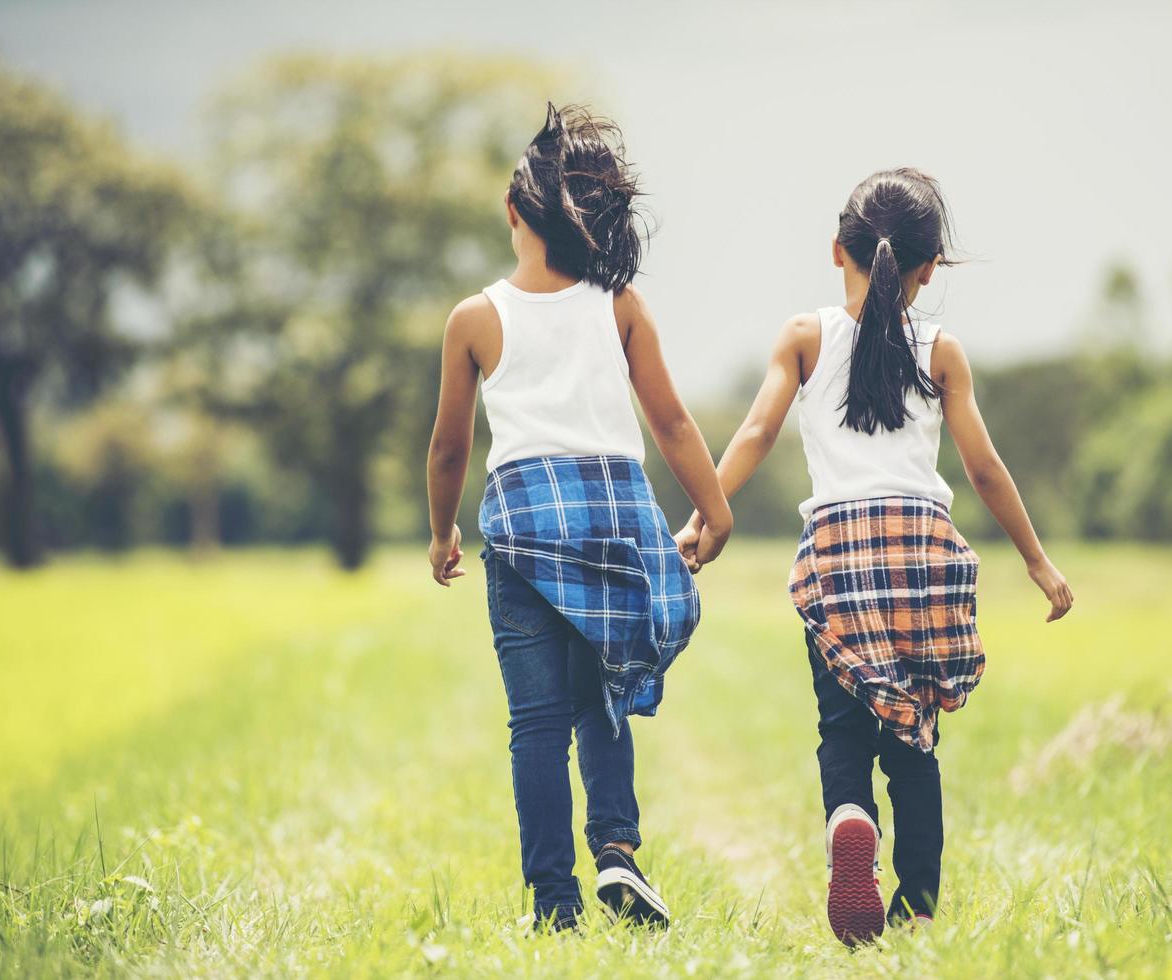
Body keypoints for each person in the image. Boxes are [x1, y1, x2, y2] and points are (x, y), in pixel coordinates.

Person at [675, 168, 1073, 945]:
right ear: (928, 268)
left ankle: (849, 818)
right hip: (921, 552)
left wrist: (705, 517)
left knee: (841, 725)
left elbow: (754, 434)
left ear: (837, 252)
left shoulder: (803, 336)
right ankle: (917, 905)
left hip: (841, 549)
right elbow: (983, 467)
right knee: (914, 737)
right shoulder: (942, 350)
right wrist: (1035, 559)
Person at [426, 103, 732, 931]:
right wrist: (714, 508)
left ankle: (554, 904)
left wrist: (443, 530)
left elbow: (451, 447)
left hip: (523, 523)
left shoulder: (475, 318)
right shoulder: (618, 303)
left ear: (515, 211)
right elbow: (670, 422)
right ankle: (617, 853)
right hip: (614, 520)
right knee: (603, 696)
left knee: (535, 723)